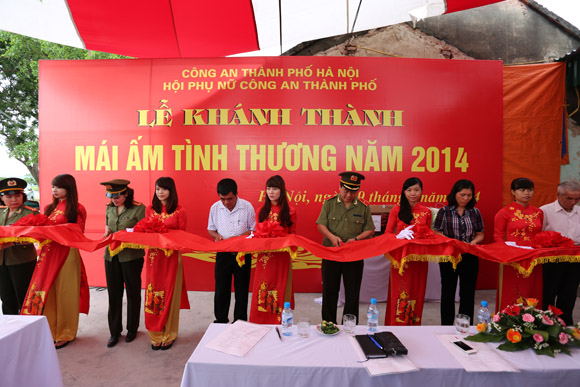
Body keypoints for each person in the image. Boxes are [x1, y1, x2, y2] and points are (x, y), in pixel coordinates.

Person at [21, 174, 88, 349]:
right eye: (53, 187)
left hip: (67, 252)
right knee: (48, 292)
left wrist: (55, 231)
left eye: (59, 187)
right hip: (48, 253)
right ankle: (50, 330)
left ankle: (66, 332)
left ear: (69, 188)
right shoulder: (49, 207)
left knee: (66, 292)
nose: (54, 190)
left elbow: (77, 233)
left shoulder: (77, 209)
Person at [316, 172, 374, 324]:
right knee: (329, 292)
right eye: (346, 190)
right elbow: (321, 225)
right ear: (340, 187)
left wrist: (356, 239)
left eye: (353, 191)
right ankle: (328, 324)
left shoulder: (363, 207)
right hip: (331, 254)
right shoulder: (329, 204)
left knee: (352, 294)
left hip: (353, 256)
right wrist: (331, 237)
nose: (349, 195)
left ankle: (349, 325)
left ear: (358, 190)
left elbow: (370, 230)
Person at [144, 177, 189, 350]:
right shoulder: (150, 209)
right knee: (152, 293)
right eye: (157, 189)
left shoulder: (180, 211)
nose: (160, 192)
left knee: (170, 293)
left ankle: (169, 333)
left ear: (171, 190)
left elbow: (182, 236)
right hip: (154, 257)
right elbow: (146, 231)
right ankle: (155, 333)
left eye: (164, 189)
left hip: (171, 257)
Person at [100, 179, 146, 347]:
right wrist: (105, 236)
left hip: (131, 257)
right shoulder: (109, 208)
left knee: (133, 293)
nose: (114, 199)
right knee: (114, 294)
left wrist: (125, 235)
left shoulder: (138, 208)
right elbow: (107, 229)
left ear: (126, 193)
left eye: (117, 196)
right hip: (111, 256)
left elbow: (142, 232)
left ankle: (132, 329)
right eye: (111, 196)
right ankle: (114, 332)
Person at [433, 179, 484, 325]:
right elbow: (437, 232)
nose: (466, 198)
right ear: (454, 194)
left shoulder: (475, 212)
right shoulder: (444, 211)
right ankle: (446, 325)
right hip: (449, 256)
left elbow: (480, 234)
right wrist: (452, 243)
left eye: (469, 195)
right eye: (462, 195)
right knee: (448, 292)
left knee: (467, 293)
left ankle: (465, 325)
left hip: (469, 255)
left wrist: (472, 243)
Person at [384, 177, 432, 325]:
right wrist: (398, 236)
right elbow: (387, 234)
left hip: (419, 260)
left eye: (416, 190)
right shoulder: (396, 210)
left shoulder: (426, 212)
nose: (413, 193)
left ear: (422, 191)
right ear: (404, 192)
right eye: (409, 190)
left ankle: (414, 324)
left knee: (417, 292)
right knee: (400, 293)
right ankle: (396, 325)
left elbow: (429, 234)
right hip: (401, 261)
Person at [250, 175, 297, 324]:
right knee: (263, 287)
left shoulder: (290, 211)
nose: (271, 192)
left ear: (281, 191)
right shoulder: (261, 211)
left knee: (279, 287)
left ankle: (278, 320)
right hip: (264, 258)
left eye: (275, 188)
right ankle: (261, 320)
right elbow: (257, 234)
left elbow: (292, 236)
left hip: (281, 257)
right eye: (268, 188)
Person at [208, 178, 255, 323]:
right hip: (223, 253)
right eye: (222, 199)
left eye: (230, 198)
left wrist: (238, 238)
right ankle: (221, 320)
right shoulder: (215, 208)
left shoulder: (247, 207)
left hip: (242, 253)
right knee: (221, 289)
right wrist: (217, 236)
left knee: (241, 289)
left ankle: (240, 321)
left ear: (236, 194)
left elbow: (253, 230)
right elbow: (211, 229)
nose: (226, 202)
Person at [494, 177, 544, 310]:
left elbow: (540, 235)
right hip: (512, 259)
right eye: (522, 190)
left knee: (532, 289)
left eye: (530, 190)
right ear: (513, 192)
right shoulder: (505, 212)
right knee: (512, 290)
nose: (527, 193)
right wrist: (507, 253)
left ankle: (532, 320)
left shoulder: (538, 212)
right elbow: (498, 236)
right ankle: (508, 320)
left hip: (534, 258)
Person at [540, 180, 580, 325]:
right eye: (569, 198)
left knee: (569, 295)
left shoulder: (579, 211)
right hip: (552, 260)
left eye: (577, 199)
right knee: (548, 294)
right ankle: (545, 325)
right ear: (558, 195)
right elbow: (537, 236)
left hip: (575, 260)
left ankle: (565, 327)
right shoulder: (545, 211)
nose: (573, 202)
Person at [0, 178, 38, 315]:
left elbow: (37, 236)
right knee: (6, 298)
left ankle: (28, 331)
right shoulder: (1, 212)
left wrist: (11, 242)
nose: (14, 199)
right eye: (9, 197)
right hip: (2, 262)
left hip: (22, 260)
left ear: (23, 196)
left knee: (24, 298)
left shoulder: (30, 213)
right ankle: (11, 330)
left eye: (17, 195)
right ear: (2, 198)